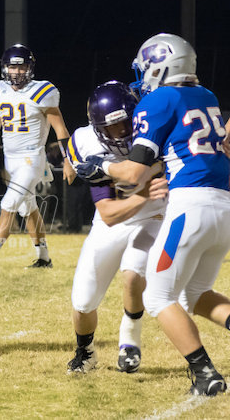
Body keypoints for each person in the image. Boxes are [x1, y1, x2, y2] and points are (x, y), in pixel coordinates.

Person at [77, 34, 230, 396]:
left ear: (160, 67)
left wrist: (101, 165)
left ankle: (205, 375)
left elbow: (132, 173)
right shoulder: (207, 96)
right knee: (196, 294)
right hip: (224, 205)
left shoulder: (158, 100)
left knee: (159, 297)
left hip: (190, 205)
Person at [66, 81, 168, 374]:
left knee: (133, 273)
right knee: (83, 302)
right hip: (113, 221)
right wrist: (143, 193)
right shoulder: (87, 143)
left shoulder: (155, 130)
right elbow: (108, 214)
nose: (120, 133)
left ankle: (129, 340)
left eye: (124, 124)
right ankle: (85, 352)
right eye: (111, 128)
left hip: (154, 216)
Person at [0, 43, 75, 270]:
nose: (16, 72)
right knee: (28, 209)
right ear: (4, 68)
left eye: (21, 67)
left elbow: (61, 129)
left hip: (32, 158)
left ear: (30, 68)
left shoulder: (43, 91)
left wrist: (68, 159)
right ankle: (44, 258)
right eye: (12, 67)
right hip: (11, 160)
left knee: (9, 202)